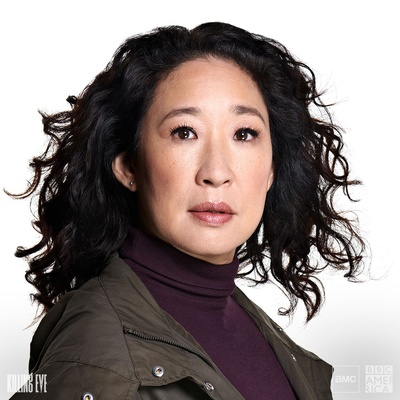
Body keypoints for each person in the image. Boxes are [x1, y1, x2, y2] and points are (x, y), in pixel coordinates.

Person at [9, 22, 365, 399]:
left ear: (272, 170)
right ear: (129, 167)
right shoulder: (96, 358)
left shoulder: (260, 334)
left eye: (244, 134)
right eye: (184, 132)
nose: (216, 172)